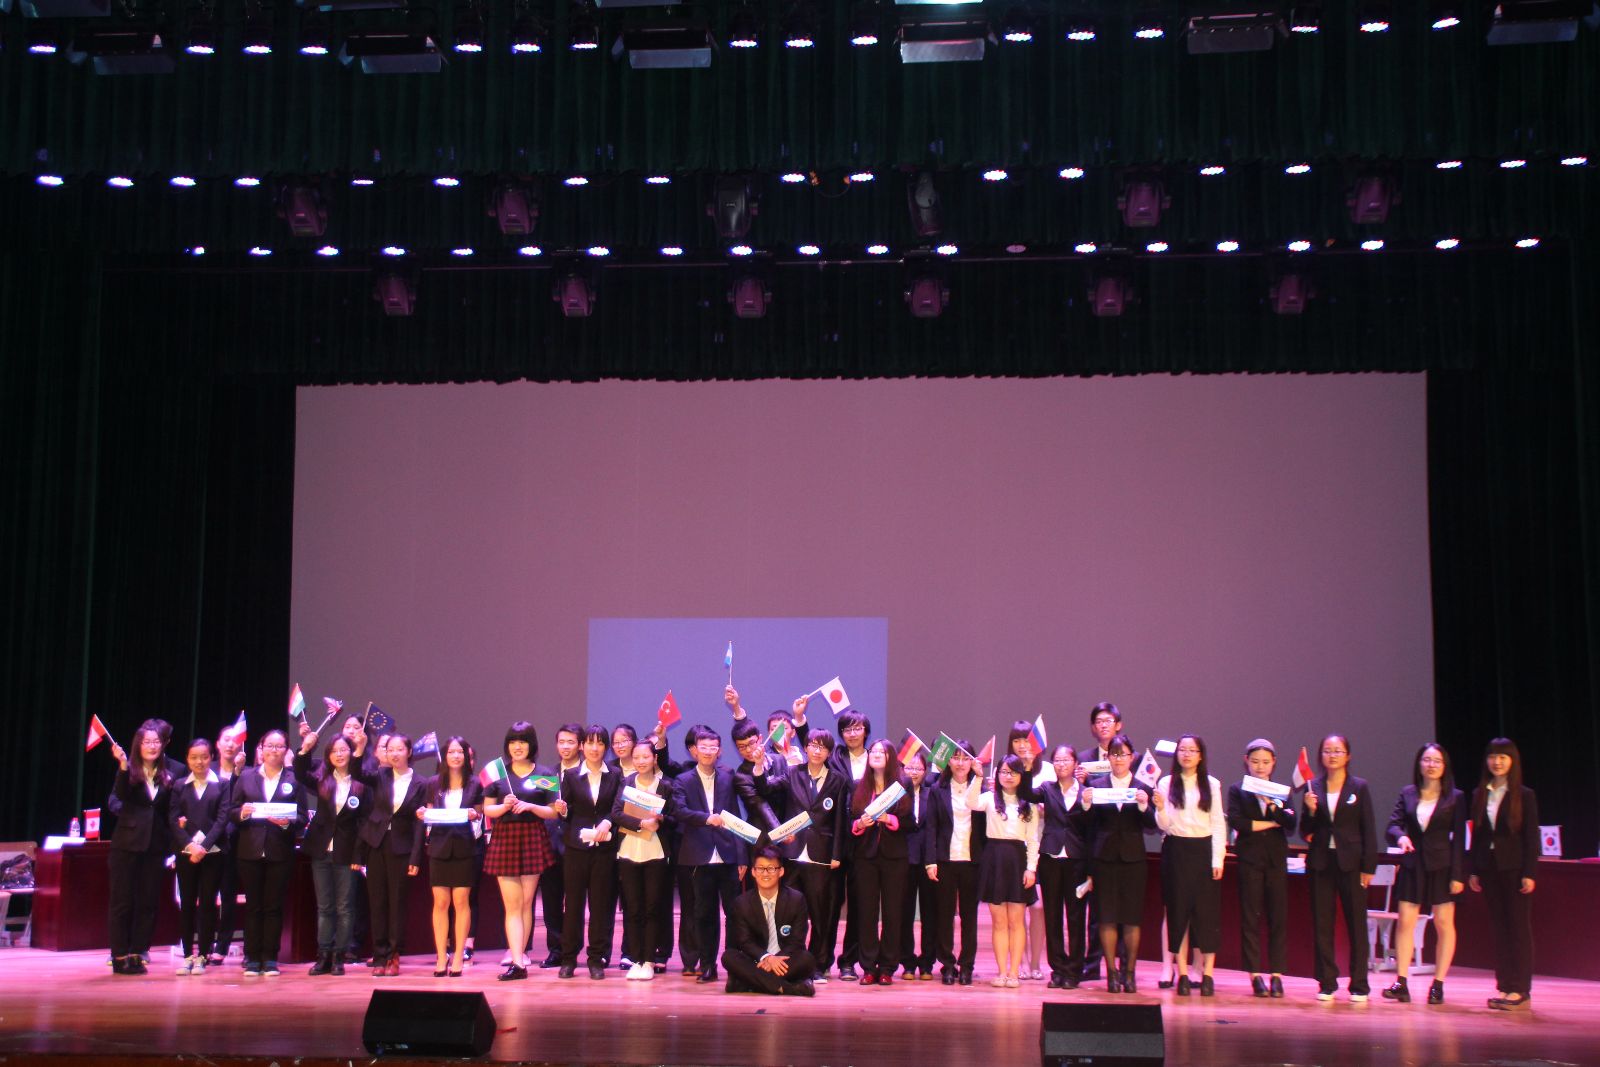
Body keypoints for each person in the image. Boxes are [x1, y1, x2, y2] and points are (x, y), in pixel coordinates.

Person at [760, 721, 848, 982]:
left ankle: (818, 965)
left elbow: (840, 821)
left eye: (823, 747)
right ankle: (787, 961)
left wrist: (837, 854)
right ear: (806, 748)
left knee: (821, 914)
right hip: (791, 853)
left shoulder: (838, 780)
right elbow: (766, 788)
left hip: (821, 856)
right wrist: (758, 766)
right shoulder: (792, 773)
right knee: (788, 913)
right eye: (813, 746)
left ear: (829, 752)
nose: (817, 751)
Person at [1381, 742, 1466, 1005]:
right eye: (1426, 760)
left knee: (1443, 923)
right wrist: (1401, 837)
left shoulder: (1456, 797)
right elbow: (1392, 826)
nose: (1431, 765)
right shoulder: (1407, 793)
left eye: (1436, 761)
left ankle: (1438, 984)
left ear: (1444, 766)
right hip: (1413, 864)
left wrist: (1458, 875)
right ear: (1419, 764)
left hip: (1442, 867)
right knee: (1405, 921)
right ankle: (1401, 982)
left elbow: (1459, 839)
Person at [1298, 733, 1378, 1002]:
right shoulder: (1312, 787)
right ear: (1321, 756)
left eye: (1338, 751)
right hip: (1321, 862)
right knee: (1322, 924)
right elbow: (1305, 831)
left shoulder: (1359, 787)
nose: (1332, 755)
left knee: (1357, 925)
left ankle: (1359, 984)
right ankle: (1327, 982)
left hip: (1351, 863)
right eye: (1327, 751)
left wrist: (1368, 867)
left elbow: (1368, 828)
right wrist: (1310, 810)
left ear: (1348, 756)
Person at [481, 721, 559, 981]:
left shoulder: (544, 774)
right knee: (512, 905)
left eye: (523, 741)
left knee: (526, 903)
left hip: (533, 838)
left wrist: (530, 806)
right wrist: (504, 806)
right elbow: (487, 809)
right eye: (513, 742)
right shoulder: (498, 775)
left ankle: (520, 956)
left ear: (531, 745)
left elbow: (553, 811)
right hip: (505, 839)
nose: (517, 746)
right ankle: (517, 962)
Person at [672, 724, 749, 985]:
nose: (707, 751)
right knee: (704, 914)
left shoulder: (727, 776)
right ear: (694, 750)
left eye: (712, 747)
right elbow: (679, 811)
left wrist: (742, 856)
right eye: (703, 747)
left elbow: (736, 817)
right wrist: (707, 819)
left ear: (719, 751)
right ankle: (707, 965)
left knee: (734, 914)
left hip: (728, 855)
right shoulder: (683, 780)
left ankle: (734, 964)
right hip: (698, 856)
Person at [1080, 733, 1156, 993]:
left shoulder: (1142, 787)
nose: (1119, 759)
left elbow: (1151, 825)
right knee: (1107, 918)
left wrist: (1145, 807)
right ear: (1108, 758)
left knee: (1132, 919)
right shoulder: (1097, 785)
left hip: (1134, 860)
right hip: (1104, 859)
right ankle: (1112, 974)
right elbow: (1087, 825)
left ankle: (1129, 973)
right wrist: (1086, 805)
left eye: (1123, 754)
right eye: (1114, 754)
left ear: (1131, 757)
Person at [227, 728, 306, 976]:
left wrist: (287, 822)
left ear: (286, 751)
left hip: (279, 851)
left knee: (273, 906)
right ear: (261, 749)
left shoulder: (294, 779)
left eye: (279, 746)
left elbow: (302, 817)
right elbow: (231, 811)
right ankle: (252, 957)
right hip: (249, 851)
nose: (274, 750)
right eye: (269, 746)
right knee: (254, 906)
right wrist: (242, 813)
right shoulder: (246, 777)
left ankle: (270, 958)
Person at [1153, 734, 1227, 996]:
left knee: (1206, 914)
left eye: (1192, 750)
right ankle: (1182, 973)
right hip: (1176, 850)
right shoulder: (1167, 783)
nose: (1186, 754)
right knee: (1177, 913)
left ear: (1200, 755)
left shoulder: (1212, 784)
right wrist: (1160, 808)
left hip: (1203, 850)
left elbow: (1218, 823)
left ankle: (1207, 974)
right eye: (1182, 750)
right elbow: (1164, 825)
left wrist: (1218, 859)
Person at [1469, 737, 1538, 1011]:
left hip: (1515, 869)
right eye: (1492, 757)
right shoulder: (1480, 793)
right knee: (1499, 928)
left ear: (1512, 761)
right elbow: (1478, 835)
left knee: (1518, 928)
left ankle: (1520, 988)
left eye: (1502, 757)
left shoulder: (1524, 795)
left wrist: (1529, 872)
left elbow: (1531, 837)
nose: (1497, 762)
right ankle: (1505, 985)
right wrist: (1474, 870)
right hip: (1489, 868)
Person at [1225, 739, 1295, 998]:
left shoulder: (1281, 791)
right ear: (1246, 761)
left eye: (1265, 762)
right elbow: (1238, 822)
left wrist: (1273, 805)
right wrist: (1272, 823)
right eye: (1255, 761)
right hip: (1250, 859)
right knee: (1250, 917)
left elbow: (1290, 824)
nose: (1260, 766)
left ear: (1273, 763)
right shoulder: (1238, 789)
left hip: (1276, 860)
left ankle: (1277, 975)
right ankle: (1254, 975)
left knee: (1278, 917)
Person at [552, 724, 621, 979]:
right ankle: (569, 958)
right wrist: (562, 810)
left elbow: (617, 807)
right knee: (573, 905)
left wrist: (608, 822)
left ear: (606, 747)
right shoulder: (571, 775)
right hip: (576, 848)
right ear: (582, 746)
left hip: (604, 848)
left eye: (600, 743)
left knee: (600, 906)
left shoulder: (615, 775)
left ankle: (596, 959)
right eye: (590, 743)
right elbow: (568, 811)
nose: (594, 748)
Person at [356, 733, 426, 977]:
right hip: (377, 844)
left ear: (409, 752)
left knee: (397, 903)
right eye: (390, 749)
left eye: (399, 749)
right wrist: (360, 748)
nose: (394, 753)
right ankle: (379, 954)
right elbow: (356, 773)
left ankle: (394, 955)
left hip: (402, 847)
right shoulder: (380, 776)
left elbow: (419, 823)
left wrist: (416, 857)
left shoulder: (420, 783)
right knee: (377, 902)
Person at [106, 724, 174, 975]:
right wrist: (123, 766)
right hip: (127, 844)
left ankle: (137, 952)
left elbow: (170, 809)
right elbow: (120, 795)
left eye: (156, 741)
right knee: (122, 901)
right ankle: (119, 955)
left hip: (156, 846)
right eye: (147, 742)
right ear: (138, 744)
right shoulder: (129, 769)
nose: (152, 746)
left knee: (148, 902)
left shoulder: (171, 772)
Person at [849, 738, 914, 985]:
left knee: (892, 912)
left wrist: (890, 819)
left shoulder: (903, 784)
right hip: (865, 857)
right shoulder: (858, 785)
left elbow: (910, 822)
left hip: (894, 857)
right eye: (873, 751)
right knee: (866, 912)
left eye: (882, 752)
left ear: (891, 757)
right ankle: (868, 967)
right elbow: (849, 819)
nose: (876, 754)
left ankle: (887, 967)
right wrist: (859, 824)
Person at [975, 755, 1041, 988]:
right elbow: (971, 803)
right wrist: (978, 776)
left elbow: (1033, 840)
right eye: (1003, 771)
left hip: (1017, 861)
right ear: (997, 774)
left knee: (1017, 921)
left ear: (1021, 775)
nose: (1008, 776)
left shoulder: (1029, 804)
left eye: (1013, 772)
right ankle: (1002, 972)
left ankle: (1014, 973)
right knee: (999, 922)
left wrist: (1031, 869)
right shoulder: (989, 798)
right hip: (994, 859)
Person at [612, 734, 675, 980]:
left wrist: (661, 820)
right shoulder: (626, 783)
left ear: (654, 759)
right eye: (636, 757)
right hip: (629, 850)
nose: (640, 761)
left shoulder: (665, 786)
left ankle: (648, 960)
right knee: (632, 908)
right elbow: (616, 813)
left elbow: (674, 817)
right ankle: (635, 959)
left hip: (655, 852)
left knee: (652, 908)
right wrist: (641, 823)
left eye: (645, 756)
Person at [302, 734, 366, 976]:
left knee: (345, 907)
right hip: (321, 850)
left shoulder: (361, 784)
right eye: (334, 751)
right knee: (325, 907)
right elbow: (299, 773)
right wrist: (305, 749)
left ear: (351, 752)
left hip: (347, 853)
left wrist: (358, 857)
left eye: (343, 749)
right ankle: (323, 956)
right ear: (328, 756)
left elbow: (363, 823)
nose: (339, 754)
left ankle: (340, 956)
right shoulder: (322, 780)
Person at [924, 737, 985, 985]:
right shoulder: (937, 789)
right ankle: (947, 964)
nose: (960, 763)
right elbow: (930, 827)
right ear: (948, 761)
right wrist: (930, 861)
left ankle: (967, 965)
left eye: (965, 758)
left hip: (973, 861)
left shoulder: (981, 788)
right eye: (955, 758)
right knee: (945, 915)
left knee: (969, 916)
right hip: (945, 860)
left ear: (973, 762)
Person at [422, 736, 483, 977]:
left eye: (460, 752)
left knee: (461, 902)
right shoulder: (433, 783)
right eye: (451, 752)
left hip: (465, 848)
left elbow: (479, 814)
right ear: (445, 756)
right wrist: (423, 814)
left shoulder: (475, 783)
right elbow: (429, 813)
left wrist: (474, 815)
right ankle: (441, 956)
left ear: (466, 757)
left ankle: (458, 956)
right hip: (439, 848)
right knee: (440, 903)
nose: (456, 756)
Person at [721, 845, 817, 996]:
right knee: (729, 957)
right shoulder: (742, 903)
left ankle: (747, 982)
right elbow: (745, 941)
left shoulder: (796, 900)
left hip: (785, 959)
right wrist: (767, 957)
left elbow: (797, 941)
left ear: (781, 871)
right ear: (753, 872)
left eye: (771, 868)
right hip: (757, 960)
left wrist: (775, 960)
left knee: (807, 959)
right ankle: (787, 987)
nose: (765, 873)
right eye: (760, 868)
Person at [170, 737, 229, 975]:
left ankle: (203, 954)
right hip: (187, 853)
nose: (199, 762)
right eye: (194, 757)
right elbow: (173, 819)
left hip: (212, 853)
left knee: (207, 903)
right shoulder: (179, 785)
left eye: (204, 757)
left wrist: (203, 846)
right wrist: (190, 845)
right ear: (187, 759)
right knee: (187, 903)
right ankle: (187, 955)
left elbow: (222, 819)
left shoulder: (222, 784)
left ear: (211, 757)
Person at [1076, 701, 1123, 982]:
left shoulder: (1130, 755)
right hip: (1094, 840)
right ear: (1093, 727)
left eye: (1108, 720)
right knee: (1094, 907)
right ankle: (1092, 963)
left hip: (1123, 841)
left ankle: (1123, 965)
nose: (1103, 725)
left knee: (1123, 908)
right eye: (1099, 721)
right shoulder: (1083, 759)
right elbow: (1079, 800)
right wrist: (1080, 782)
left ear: (1118, 725)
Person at [1037, 743, 1089, 989]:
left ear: (1075, 763)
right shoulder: (1047, 788)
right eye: (1057, 760)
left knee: (1076, 917)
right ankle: (1057, 969)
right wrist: (1028, 765)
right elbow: (1026, 793)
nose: (1061, 764)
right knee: (1052, 915)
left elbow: (1092, 828)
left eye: (1066, 760)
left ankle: (1074, 970)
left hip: (1077, 861)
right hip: (1051, 858)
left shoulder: (1087, 792)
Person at [1006, 721, 1052, 979]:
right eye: (1017, 740)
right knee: (1017, 908)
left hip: (1043, 847)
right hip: (1014, 847)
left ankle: (1035, 963)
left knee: (1038, 908)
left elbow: (1060, 804)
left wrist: (1048, 810)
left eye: (1027, 740)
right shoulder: (1006, 770)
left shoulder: (1049, 771)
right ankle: (1020, 961)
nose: (1022, 745)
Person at [209, 724, 246, 966]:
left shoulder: (248, 773)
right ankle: (204, 945)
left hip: (235, 843)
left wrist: (238, 773)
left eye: (235, 740)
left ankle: (222, 946)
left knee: (229, 896)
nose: (231, 744)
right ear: (218, 744)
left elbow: (236, 805)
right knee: (206, 895)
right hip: (208, 842)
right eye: (226, 739)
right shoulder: (207, 770)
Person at [899, 749, 937, 980]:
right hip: (903, 859)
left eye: (918, 768)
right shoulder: (896, 794)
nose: (913, 772)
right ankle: (907, 962)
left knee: (930, 913)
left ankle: (927, 962)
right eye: (909, 767)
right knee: (904, 913)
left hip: (927, 860)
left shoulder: (932, 793)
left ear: (925, 772)